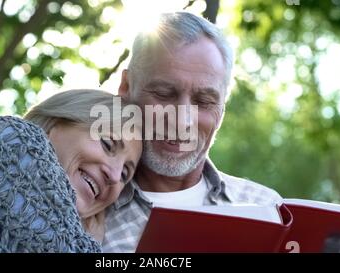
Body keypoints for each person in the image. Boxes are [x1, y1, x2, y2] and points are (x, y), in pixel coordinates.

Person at [102, 12, 283, 253]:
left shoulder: (269, 210)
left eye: (204, 101)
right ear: (126, 86)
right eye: (164, 94)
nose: (182, 121)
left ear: (222, 109)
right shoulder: (84, 207)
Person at [0, 89, 142, 253]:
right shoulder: (10, 139)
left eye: (124, 174)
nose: (114, 175)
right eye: (107, 143)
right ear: (58, 123)